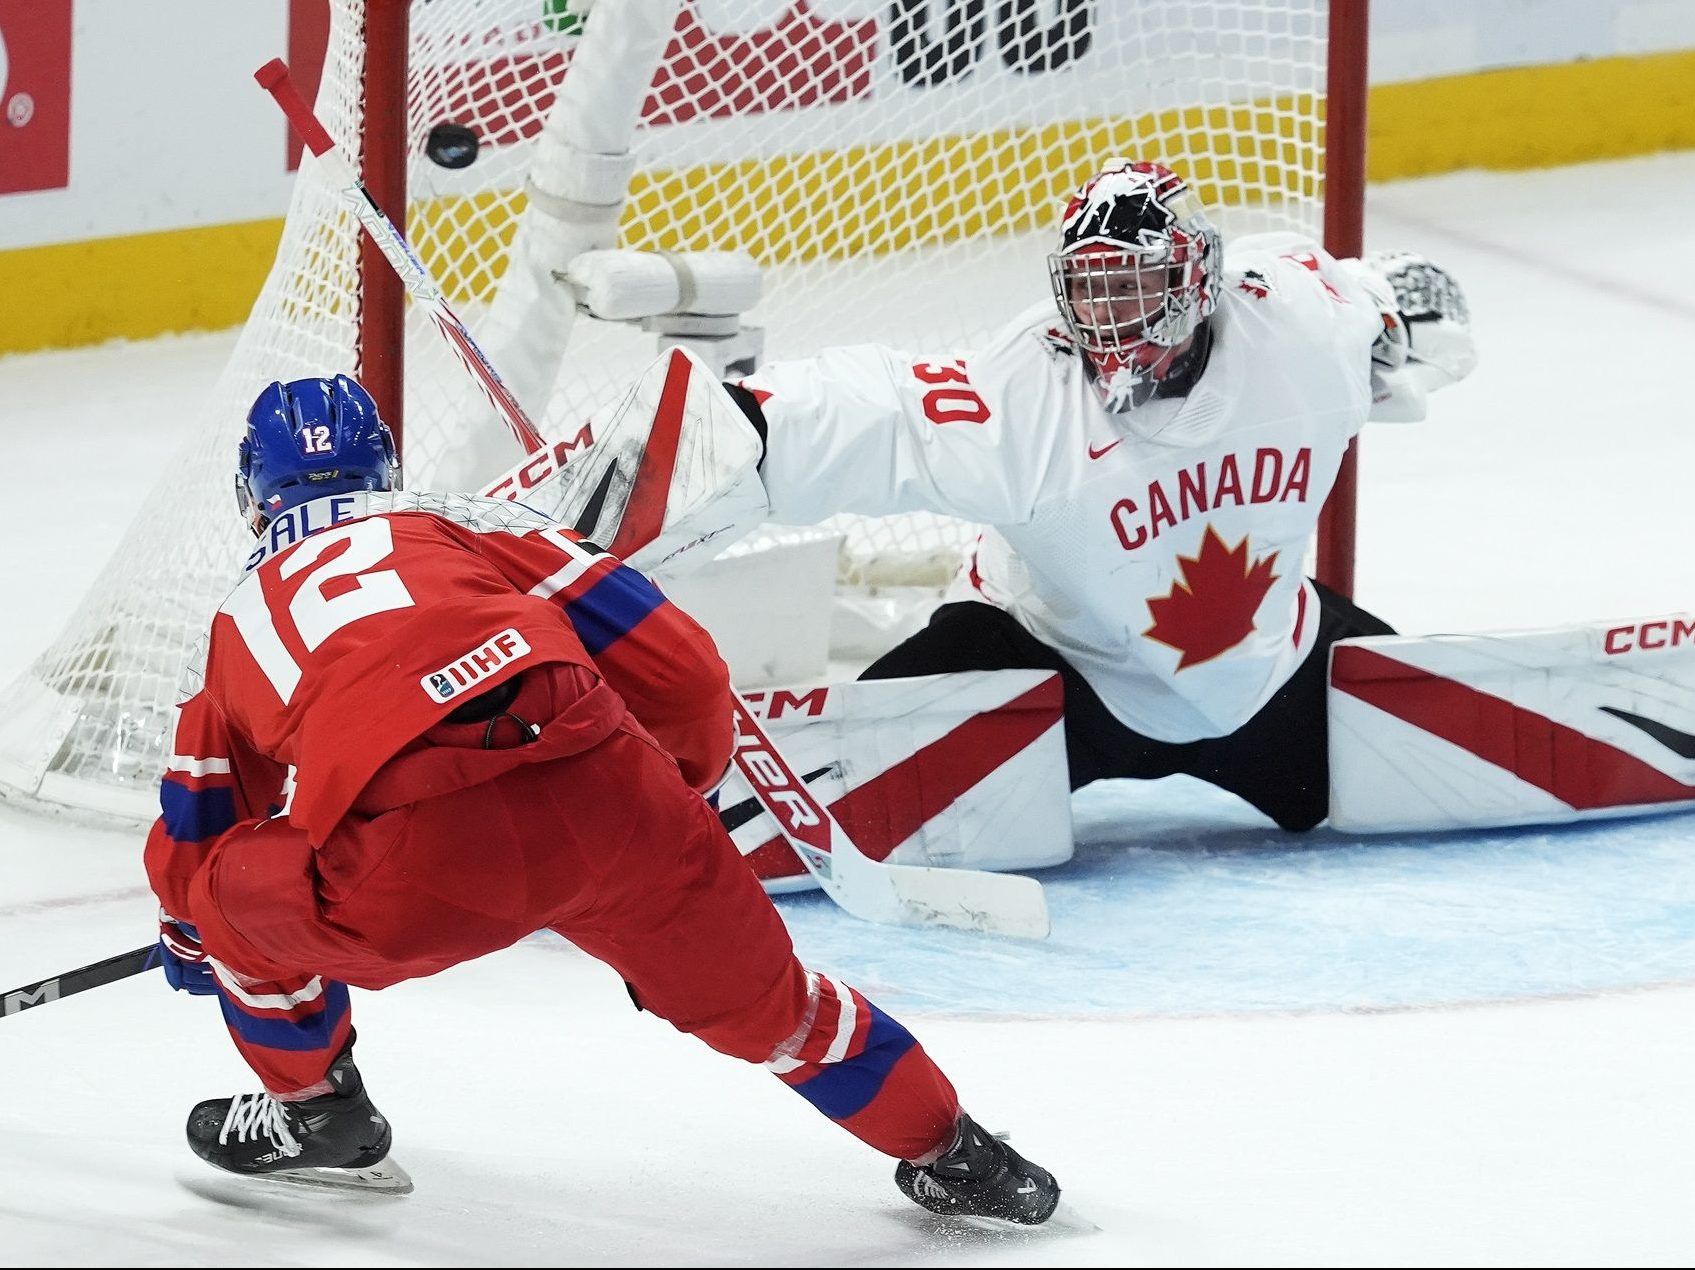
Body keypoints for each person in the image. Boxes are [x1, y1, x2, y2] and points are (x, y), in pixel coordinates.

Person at [143, 373, 1060, 1222]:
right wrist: (673, 800)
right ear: (385, 464)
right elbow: (685, 668)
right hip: (619, 801)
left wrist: (198, 943)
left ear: (251, 492)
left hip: (422, 873)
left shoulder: (233, 622)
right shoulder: (472, 523)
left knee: (224, 897)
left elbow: (196, 835)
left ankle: (315, 1113)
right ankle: (960, 1152)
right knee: (781, 1009)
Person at [710, 159, 1477, 848]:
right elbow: (870, 413)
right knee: (922, 696)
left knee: (1456, 778)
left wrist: (1412, 318)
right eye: (1091, 290)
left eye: (1134, 286)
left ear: (1197, 278)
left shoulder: (1300, 320)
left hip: (1267, 671)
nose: (1109, 318)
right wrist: (728, 426)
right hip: (1047, 677)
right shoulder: (1022, 394)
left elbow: (1393, 313)